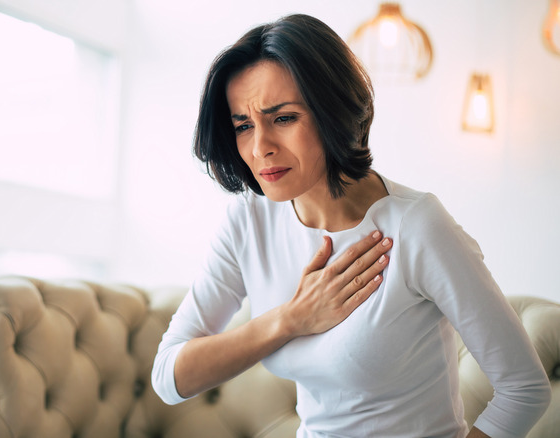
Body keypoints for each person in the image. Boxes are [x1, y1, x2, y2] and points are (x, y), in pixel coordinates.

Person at [152, 14, 551, 438]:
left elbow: (524, 389)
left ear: (332, 112)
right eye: (244, 126)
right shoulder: (250, 219)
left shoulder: (417, 226)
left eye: (283, 118)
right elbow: (169, 377)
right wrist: (291, 319)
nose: (260, 147)